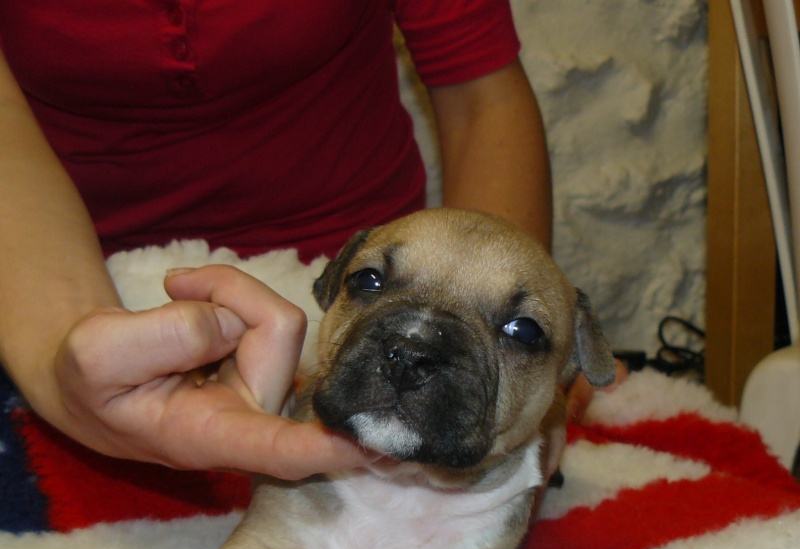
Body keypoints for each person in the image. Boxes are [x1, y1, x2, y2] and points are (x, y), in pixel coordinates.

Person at [0, 1, 555, 481]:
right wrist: (59, 359)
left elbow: (481, 96)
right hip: (62, 287)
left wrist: (508, 355)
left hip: (344, 295)